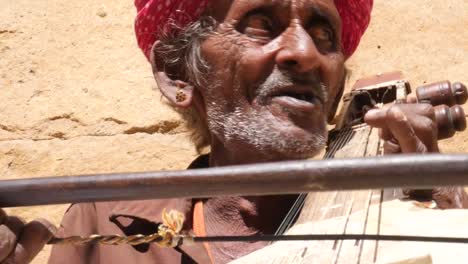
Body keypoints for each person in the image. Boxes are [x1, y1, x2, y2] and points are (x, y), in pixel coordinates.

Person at [1, 0, 467, 263]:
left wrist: (444, 213)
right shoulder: (107, 228)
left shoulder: (422, 204)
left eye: (324, 33)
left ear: (338, 82)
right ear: (176, 74)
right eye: (261, 25)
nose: (305, 52)